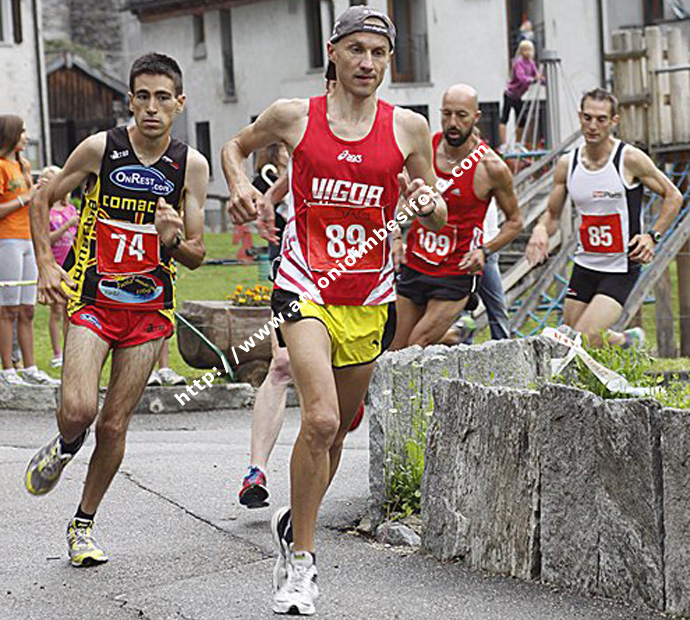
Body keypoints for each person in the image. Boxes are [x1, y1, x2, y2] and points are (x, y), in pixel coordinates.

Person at [222, 6, 447, 614]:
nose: (367, 63)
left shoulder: (408, 128)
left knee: (338, 431)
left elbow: (436, 209)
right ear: (334, 50)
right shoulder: (297, 116)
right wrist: (241, 187)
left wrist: (426, 204)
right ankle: (302, 566)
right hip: (304, 287)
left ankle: (296, 520)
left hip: (370, 297)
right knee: (320, 420)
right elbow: (235, 146)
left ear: (388, 59)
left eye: (378, 53)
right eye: (356, 51)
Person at [24, 52, 209, 567]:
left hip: (150, 313)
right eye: (142, 97)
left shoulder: (190, 165)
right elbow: (44, 196)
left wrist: (172, 241)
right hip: (94, 299)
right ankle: (64, 445)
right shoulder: (100, 148)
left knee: (112, 426)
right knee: (79, 410)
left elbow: (196, 253)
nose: (152, 108)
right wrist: (45, 264)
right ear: (130, 101)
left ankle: (82, 524)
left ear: (179, 103)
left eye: (163, 98)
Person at [525, 88, 683, 348]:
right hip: (585, 265)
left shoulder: (629, 159)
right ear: (580, 117)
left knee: (585, 339)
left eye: (601, 119)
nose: (593, 126)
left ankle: (617, 348)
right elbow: (552, 214)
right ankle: (624, 341)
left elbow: (673, 196)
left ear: (614, 121)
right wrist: (540, 230)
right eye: (587, 118)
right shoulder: (568, 164)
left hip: (620, 266)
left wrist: (652, 236)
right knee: (567, 341)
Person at [391, 84, 522, 350]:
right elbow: (396, 189)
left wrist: (484, 251)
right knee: (394, 346)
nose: (453, 123)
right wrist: (395, 237)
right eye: (447, 114)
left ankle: (455, 333)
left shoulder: (491, 167)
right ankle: (453, 335)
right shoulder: (426, 147)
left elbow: (515, 222)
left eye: (461, 115)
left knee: (418, 343)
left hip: (456, 270)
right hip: (416, 262)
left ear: (476, 116)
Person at [0, 116, 57, 385]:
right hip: (7, 239)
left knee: (27, 309)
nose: (26, 135)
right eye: (22, 131)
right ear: (11, 134)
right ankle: (8, 368)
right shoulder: (1, 167)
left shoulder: (24, 165)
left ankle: (30, 367)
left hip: (28, 240)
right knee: (7, 308)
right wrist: (25, 197)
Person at [443, 199, 512, 345]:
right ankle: (463, 348)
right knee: (461, 303)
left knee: (496, 303)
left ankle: (502, 346)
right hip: (462, 247)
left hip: (487, 247)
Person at [44, 165, 79, 368]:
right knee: (56, 311)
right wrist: (67, 225)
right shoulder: (46, 210)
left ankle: (69, 350)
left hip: (72, 265)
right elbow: (46, 239)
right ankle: (57, 353)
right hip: (55, 264)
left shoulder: (70, 208)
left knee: (70, 311)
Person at [498, 40, 541, 148]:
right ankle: (503, 144)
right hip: (510, 94)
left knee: (521, 120)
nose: (527, 52)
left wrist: (542, 80)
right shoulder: (518, 63)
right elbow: (521, 78)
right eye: (524, 50)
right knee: (505, 117)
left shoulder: (531, 63)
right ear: (521, 51)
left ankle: (518, 143)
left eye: (529, 50)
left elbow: (536, 75)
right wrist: (533, 79)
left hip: (518, 96)